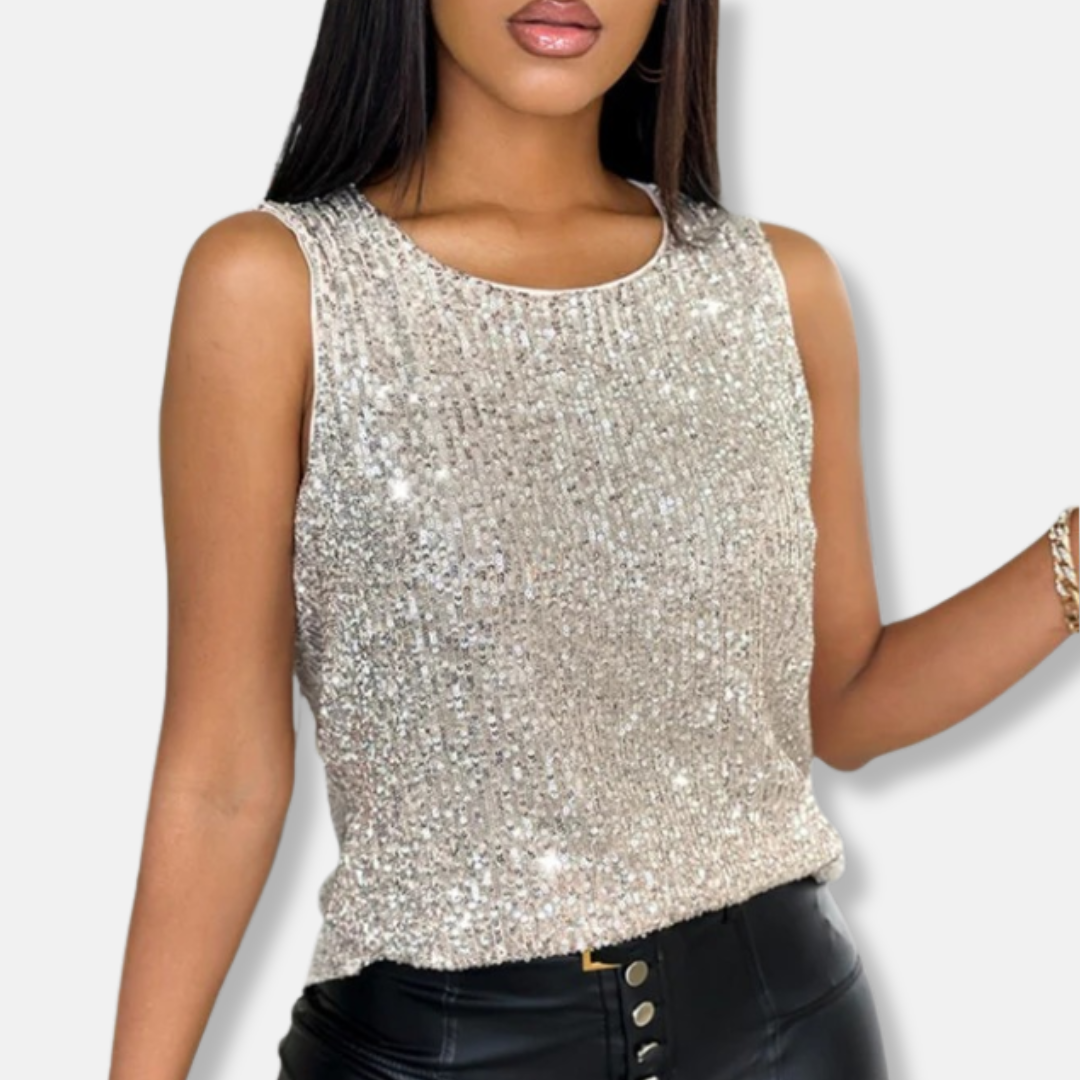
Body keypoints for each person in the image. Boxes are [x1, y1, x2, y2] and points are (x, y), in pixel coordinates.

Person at [107, 1, 1080, 1078]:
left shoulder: (778, 289)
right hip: (437, 1052)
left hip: (786, 1038)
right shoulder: (273, 286)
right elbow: (223, 779)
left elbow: (843, 705)